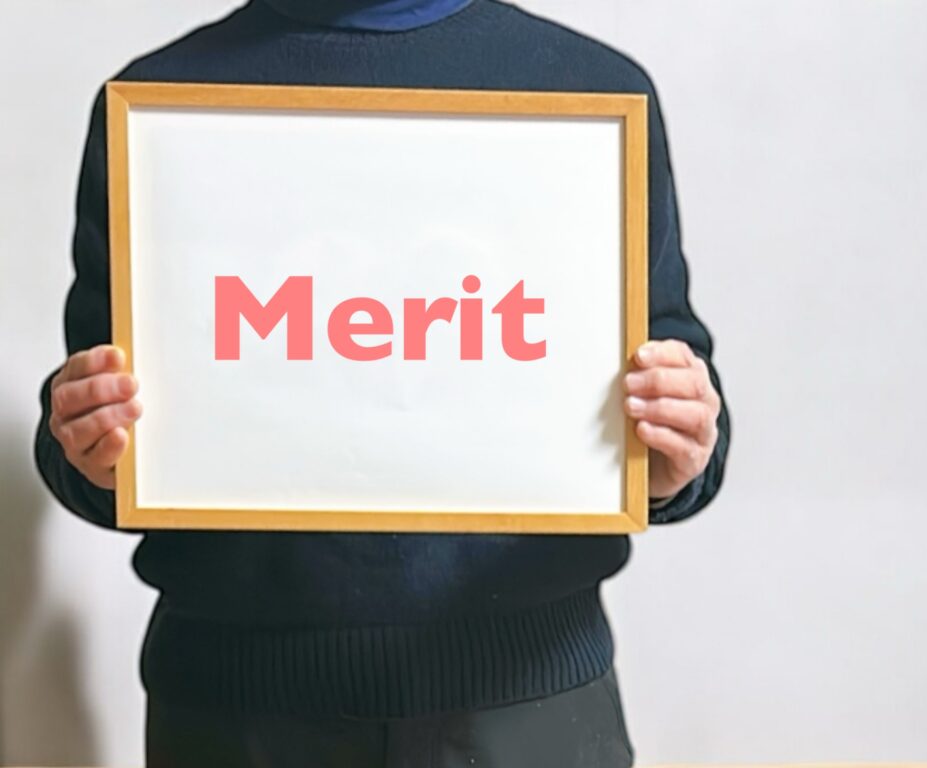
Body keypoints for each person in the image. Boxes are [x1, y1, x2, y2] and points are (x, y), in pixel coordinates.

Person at [33, 1, 732, 766]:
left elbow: (678, 387)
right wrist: (91, 449)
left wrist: (675, 449)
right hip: (233, 708)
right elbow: (94, 423)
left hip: (531, 700)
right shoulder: (161, 109)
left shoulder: (590, 97)